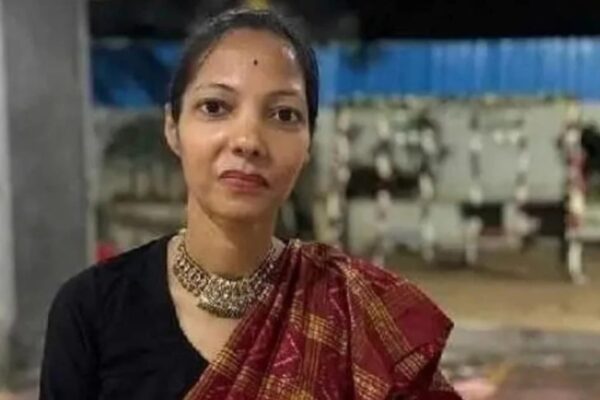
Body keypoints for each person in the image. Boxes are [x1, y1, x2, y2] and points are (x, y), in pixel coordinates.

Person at [40, 7, 461, 400]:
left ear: (308, 143)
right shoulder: (93, 310)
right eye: (215, 107)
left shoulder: (356, 316)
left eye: (283, 115)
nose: (247, 141)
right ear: (172, 127)